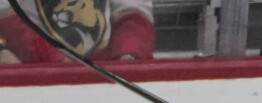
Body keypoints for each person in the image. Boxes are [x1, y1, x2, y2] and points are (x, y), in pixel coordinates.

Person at [0, 0, 155, 63]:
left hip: (108, 80)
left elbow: (133, 13)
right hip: (35, 85)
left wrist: (130, 57)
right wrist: (59, 65)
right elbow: (8, 16)